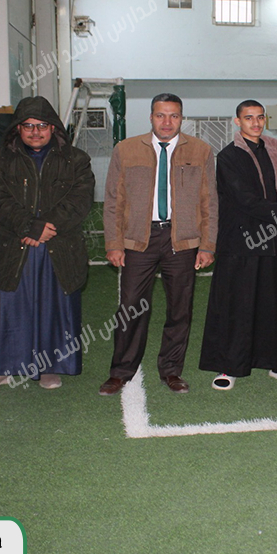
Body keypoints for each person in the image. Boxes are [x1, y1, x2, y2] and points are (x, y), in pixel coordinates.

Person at [0, 96, 95, 393]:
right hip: (13, 245)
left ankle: (50, 367)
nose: (35, 132)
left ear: (53, 128)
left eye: (42, 125)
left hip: (58, 245)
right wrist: (29, 226)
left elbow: (80, 200)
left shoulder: (76, 160)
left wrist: (46, 227)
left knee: (54, 307)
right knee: (8, 307)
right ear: (17, 128)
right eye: (28, 126)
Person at [100, 93, 217, 396]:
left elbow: (209, 202)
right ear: (151, 117)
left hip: (182, 240)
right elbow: (113, 200)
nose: (167, 122)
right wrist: (114, 243)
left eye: (173, 116)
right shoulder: (125, 150)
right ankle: (120, 371)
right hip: (138, 240)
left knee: (180, 308)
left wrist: (207, 245)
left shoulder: (201, 151)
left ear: (182, 118)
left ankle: (171, 370)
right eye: (161, 115)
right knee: (131, 307)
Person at [198, 100, 277, 390]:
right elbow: (246, 201)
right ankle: (229, 366)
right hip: (239, 243)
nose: (256, 123)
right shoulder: (228, 156)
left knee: (271, 306)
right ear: (237, 122)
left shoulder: (272, 150)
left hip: (270, 241)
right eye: (249, 118)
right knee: (236, 305)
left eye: (260, 117)